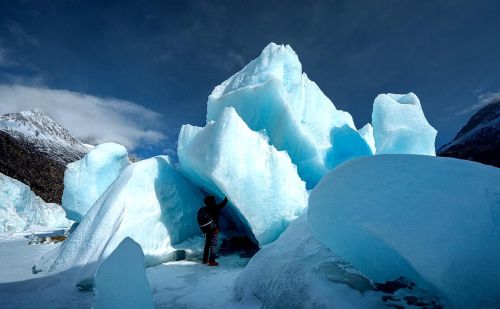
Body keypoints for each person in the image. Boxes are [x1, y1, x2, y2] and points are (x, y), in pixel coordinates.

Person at [200, 195, 228, 266]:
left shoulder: (205, 209)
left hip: (207, 230)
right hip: (214, 229)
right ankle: (212, 261)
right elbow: (223, 203)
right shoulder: (216, 207)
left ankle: (204, 260)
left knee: (207, 245)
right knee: (213, 245)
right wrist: (227, 197)